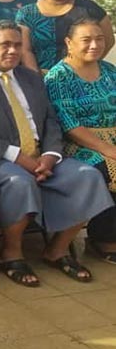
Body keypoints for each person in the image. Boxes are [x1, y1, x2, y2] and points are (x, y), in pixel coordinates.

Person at [0, 20, 113, 286]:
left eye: (17, 45)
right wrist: (18, 157)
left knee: (88, 176)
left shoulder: (31, 77)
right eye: (5, 45)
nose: (12, 51)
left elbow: (50, 121)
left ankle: (57, 250)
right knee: (19, 182)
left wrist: (50, 155)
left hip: (39, 156)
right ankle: (11, 252)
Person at [45, 19, 116, 263]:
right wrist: (108, 149)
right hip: (78, 144)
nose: (94, 45)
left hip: (113, 137)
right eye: (86, 40)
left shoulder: (110, 71)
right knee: (105, 168)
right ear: (69, 43)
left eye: (99, 39)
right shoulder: (59, 77)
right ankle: (104, 237)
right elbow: (69, 124)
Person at [16, 0, 115, 72]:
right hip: (39, 79)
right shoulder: (27, 13)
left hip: (81, 78)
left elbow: (108, 40)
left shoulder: (89, 9)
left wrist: (87, 67)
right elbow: (25, 50)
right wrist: (37, 76)